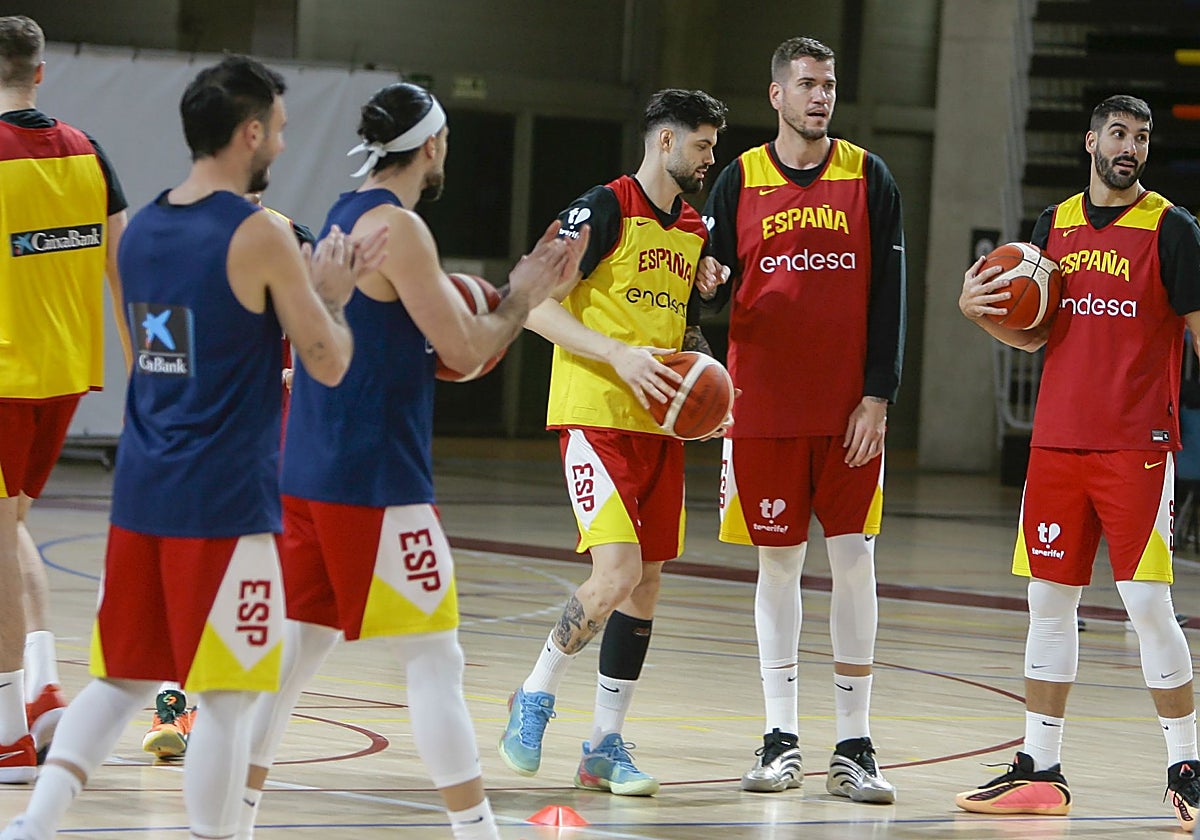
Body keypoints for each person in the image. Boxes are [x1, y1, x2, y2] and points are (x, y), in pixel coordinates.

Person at [1, 54, 385, 840]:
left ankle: (31, 826)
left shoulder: (140, 229)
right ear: (249, 133)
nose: (282, 142)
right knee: (230, 698)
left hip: (144, 494)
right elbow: (330, 362)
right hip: (226, 506)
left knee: (117, 684)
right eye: (277, 129)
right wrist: (334, 299)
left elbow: (154, 361)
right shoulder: (261, 236)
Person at [234, 82, 586, 840]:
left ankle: (232, 820)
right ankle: (477, 831)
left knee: (291, 661)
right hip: (374, 480)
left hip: (306, 472)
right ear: (431, 145)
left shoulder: (340, 212)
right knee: (436, 662)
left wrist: (494, 307)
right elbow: (462, 349)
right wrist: (521, 298)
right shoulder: (400, 229)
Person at [955, 94, 1200, 830]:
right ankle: (1042, 768)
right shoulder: (1050, 227)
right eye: (1119, 133)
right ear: (1091, 140)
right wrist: (980, 314)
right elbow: (1039, 332)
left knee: (1147, 603)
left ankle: (1186, 765)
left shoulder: (1174, 228)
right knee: (1048, 605)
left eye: (1143, 137)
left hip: (1136, 446)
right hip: (1057, 443)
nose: (1130, 147)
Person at [498, 88, 728, 797]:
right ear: (665, 142)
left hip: (660, 429)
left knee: (646, 587)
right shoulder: (602, 207)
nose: (709, 158)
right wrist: (616, 354)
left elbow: (682, 335)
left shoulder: (694, 227)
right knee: (616, 574)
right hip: (595, 416)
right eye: (702, 145)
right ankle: (533, 694)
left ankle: (603, 744)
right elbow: (528, 301)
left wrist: (710, 389)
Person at [696, 36, 905, 801]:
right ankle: (780, 737)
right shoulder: (738, 180)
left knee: (856, 563)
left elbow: (892, 295)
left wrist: (878, 394)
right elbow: (708, 286)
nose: (821, 96)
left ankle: (854, 745)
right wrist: (708, 283)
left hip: (848, 411)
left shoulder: (869, 177)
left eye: (830, 85)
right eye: (808, 84)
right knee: (777, 568)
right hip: (761, 410)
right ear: (777, 94)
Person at [0, 15, 131, 781]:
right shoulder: (89, 152)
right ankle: (46, 693)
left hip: (5, 375)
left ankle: (9, 733)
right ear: (41, 73)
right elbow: (126, 269)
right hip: (63, 379)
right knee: (13, 526)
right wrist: (149, 373)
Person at [140, 198, 313, 763]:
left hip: (274, 442)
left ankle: (215, 708)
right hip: (203, 436)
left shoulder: (293, 238)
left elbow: (333, 332)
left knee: (257, 581)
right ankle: (176, 704)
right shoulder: (173, 236)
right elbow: (158, 344)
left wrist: (296, 370)